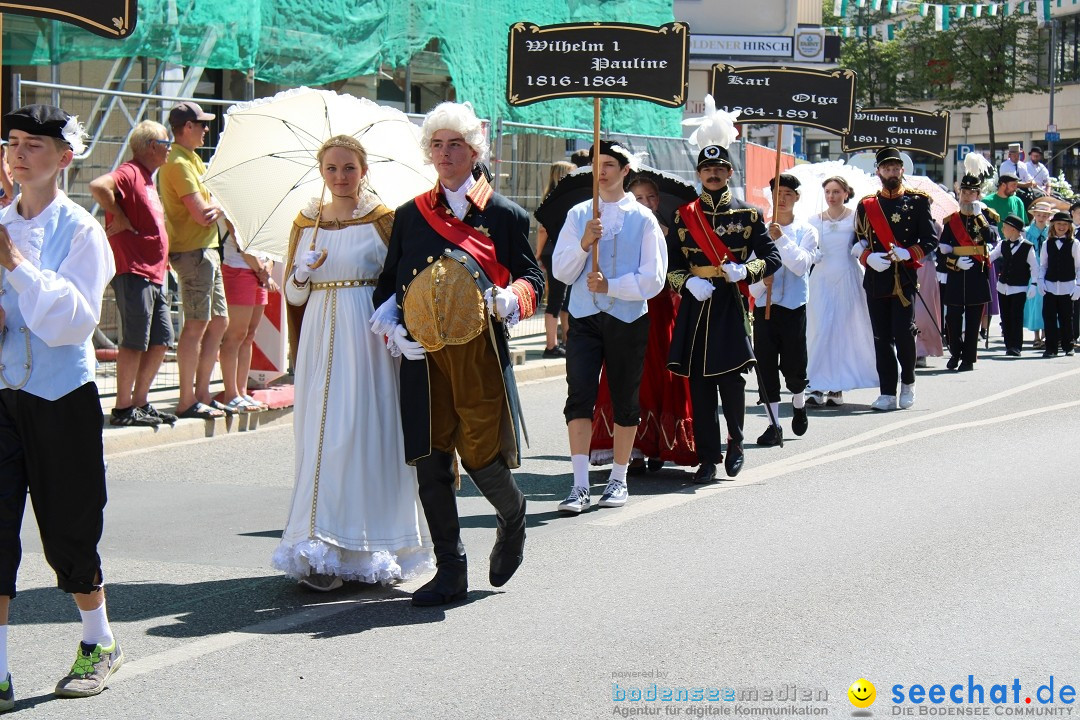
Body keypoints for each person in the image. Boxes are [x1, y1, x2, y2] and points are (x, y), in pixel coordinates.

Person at [371, 102, 543, 606]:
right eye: (438, 145)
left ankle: (513, 514)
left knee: (482, 455)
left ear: (475, 151)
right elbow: (389, 285)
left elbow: (534, 279)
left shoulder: (506, 216)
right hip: (421, 357)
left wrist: (515, 299)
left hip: (478, 355)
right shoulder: (410, 215)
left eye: (456, 145)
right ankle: (452, 569)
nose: (446, 154)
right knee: (431, 459)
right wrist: (390, 324)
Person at [273, 135, 432, 591]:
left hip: (367, 336)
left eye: (348, 168)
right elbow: (293, 296)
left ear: (364, 170)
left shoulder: (385, 220)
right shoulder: (307, 223)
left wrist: (395, 317)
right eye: (331, 169)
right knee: (321, 438)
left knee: (364, 434)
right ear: (320, 172)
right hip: (321, 334)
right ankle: (319, 545)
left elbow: (404, 279)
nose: (340, 177)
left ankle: (365, 546)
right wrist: (302, 271)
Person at [0, 104, 120, 708]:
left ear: (64, 158)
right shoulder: (0, 222)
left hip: (60, 396)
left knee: (69, 530)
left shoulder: (82, 231)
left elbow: (73, 322)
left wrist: (15, 266)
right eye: (14, 142)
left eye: (35, 146)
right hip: (1, 395)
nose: (20, 154)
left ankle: (98, 639)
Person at [552, 141, 667, 512]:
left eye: (608, 164)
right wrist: (585, 242)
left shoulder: (644, 219)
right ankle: (580, 484)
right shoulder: (579, 214)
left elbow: (654, 279)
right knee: (579, 396)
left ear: (624, 170)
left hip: (628, 319)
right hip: (584, 318)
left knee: (624, 399)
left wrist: (612, 285)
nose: (600, 171)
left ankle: (618, 479)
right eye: (595, 164)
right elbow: (561, 271)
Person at [667, 142, 780, 481]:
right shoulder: (683, 215)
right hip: (697, 306)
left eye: (719, 170)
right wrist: (686, 282)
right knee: (699, 385)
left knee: (731, 380)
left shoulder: (749, 214)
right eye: (706, 170)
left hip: (730, 303)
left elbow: (772, 258)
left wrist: (746, 271)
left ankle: (737, 442)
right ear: (699, 174)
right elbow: (671, 264)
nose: (712, 174)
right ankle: (707, 457)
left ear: (730, 173)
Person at [588, 174, 698, 473]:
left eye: (651, 197)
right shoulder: (619, 230)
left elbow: (680, 270)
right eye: (639, 198)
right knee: (627, 374)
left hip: (661, 311)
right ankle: (633, 450)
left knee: (663, 373)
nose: (647, 203)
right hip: (626, 309)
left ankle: (659, 445)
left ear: (658, 200)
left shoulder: (671, 231)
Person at [88, 119, 177, 426]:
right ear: (152, 147)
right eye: (166, 144)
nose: (169, 150)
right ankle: (124, 407)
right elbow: (99, 186)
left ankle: (139, 402)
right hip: (135, 269)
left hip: (153, 273)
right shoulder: (130, 172)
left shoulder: (148, 178)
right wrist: (122, 218)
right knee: (135, 340)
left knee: (162, 338)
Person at [159, 101, 229, 419]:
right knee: (197, 325)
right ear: (187, 127)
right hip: (194, 252)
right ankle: (187, 399)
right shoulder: (178, 162)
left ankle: (200, 393)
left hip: (205, 251)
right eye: (201, 125)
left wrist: (217, 203)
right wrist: (218, 203)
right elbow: (204, 214)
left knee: (218, 322)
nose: (205, 130)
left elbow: (215, 201)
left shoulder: (191, 159)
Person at [854, 146, 938, 411]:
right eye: (886, 168)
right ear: (878, 171)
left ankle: (909, 383)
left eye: (895, 167)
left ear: (902, 169)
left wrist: (909, 252)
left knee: (903, 333)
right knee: (881, 337)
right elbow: (857, 238)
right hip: (877, 277)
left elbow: (930, 239)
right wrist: (867, 256)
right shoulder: (867, 204)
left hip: (903, 278)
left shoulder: (918, 201)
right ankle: (887, 391)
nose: (891, 172)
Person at [750, 173, 817, 446]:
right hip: (765, 308)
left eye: (788, 194)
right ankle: (773, 423)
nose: (782, 199)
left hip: (793, 308)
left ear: (797, 197)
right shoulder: (759, 231)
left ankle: (799, 403)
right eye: (778, 193)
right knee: (765, 366)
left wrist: (781, 240)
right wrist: (760, 283)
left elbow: (801, 266)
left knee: (794, 366)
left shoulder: (807, 231)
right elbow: (751, 271)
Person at [805, 176, 878, 407]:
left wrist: (863, 245)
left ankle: (837, 386)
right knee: (820, 329)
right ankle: (815, 384)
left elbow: (868, 238)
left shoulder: (856, 218)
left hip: (848, 276)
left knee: (843, 331)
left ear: (846, 193)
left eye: (836, 191)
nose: (831, 196)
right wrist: (811, 255)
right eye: (827, 191)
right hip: (822, 279)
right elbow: (807, 246)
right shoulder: (814, 221)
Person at [937, 174, 998, 371]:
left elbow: (992, 238)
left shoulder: (988, 216)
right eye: (964, 192)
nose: (967, 196)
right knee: (952, 319)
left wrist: (980, 217)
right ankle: (955, 353)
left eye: (972, 193)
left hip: (976, 272)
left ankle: (968, 358)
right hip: (957, 273)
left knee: (973, 321)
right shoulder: (952, 220)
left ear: (978, 195)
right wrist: (954, 262)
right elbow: (942, 250)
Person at [218, 230, 276, 412]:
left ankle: (241, 392)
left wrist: (269, 265)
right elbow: (241, 243)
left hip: (259, 272)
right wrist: (263, 271)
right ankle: (231, 394)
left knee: (249, 335)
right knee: (235, 335)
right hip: (238, 270)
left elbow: (271, 245)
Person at [533, 160, 574, 358]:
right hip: (556, 251)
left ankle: (564, 341)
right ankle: (551, 345)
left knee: (562, 298)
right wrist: (538, 252)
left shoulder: (553, 197)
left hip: (556, 251)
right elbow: (542, 229)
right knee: (557, 299)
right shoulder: (559, 198)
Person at [988, 214, 1038, 356]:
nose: (1003, 230)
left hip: (1019, 287)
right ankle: (1009, 344)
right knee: (1006, 317)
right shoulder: (1002, 244)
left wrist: (1034, 284)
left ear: (1014, 230)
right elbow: (991, 257)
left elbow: (1035, 267)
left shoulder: (1027, 247)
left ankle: (1016, 346)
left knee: (1016, 316)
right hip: (1003, 286)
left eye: (1005, 228)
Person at [1038, 211, 1080, 358]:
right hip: (1049, 286)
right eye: (1058, 224)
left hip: (1067, 286)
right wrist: (1040, 281)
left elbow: (1078, 266)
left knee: (1066, 318)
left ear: (1069, 227)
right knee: (1048, 318)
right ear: (1053, 225)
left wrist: (1078, 285)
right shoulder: (1046, 243)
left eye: (1064, 224)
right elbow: (1043, 265)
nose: (1061, 227)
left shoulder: (1074, 244)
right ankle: (1051, 348)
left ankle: (1068, 346)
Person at [1023, 201, 1054, 349]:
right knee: (1034, 301)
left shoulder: (1051, 231)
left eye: (1045, 215)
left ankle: (1046, 333)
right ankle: (1036, 335)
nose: (1041, 217)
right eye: (1039, 214)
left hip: (1048, 268)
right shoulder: (1027, 231)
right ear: (1034, 215)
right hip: (1032, 268)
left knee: (1047, 301)